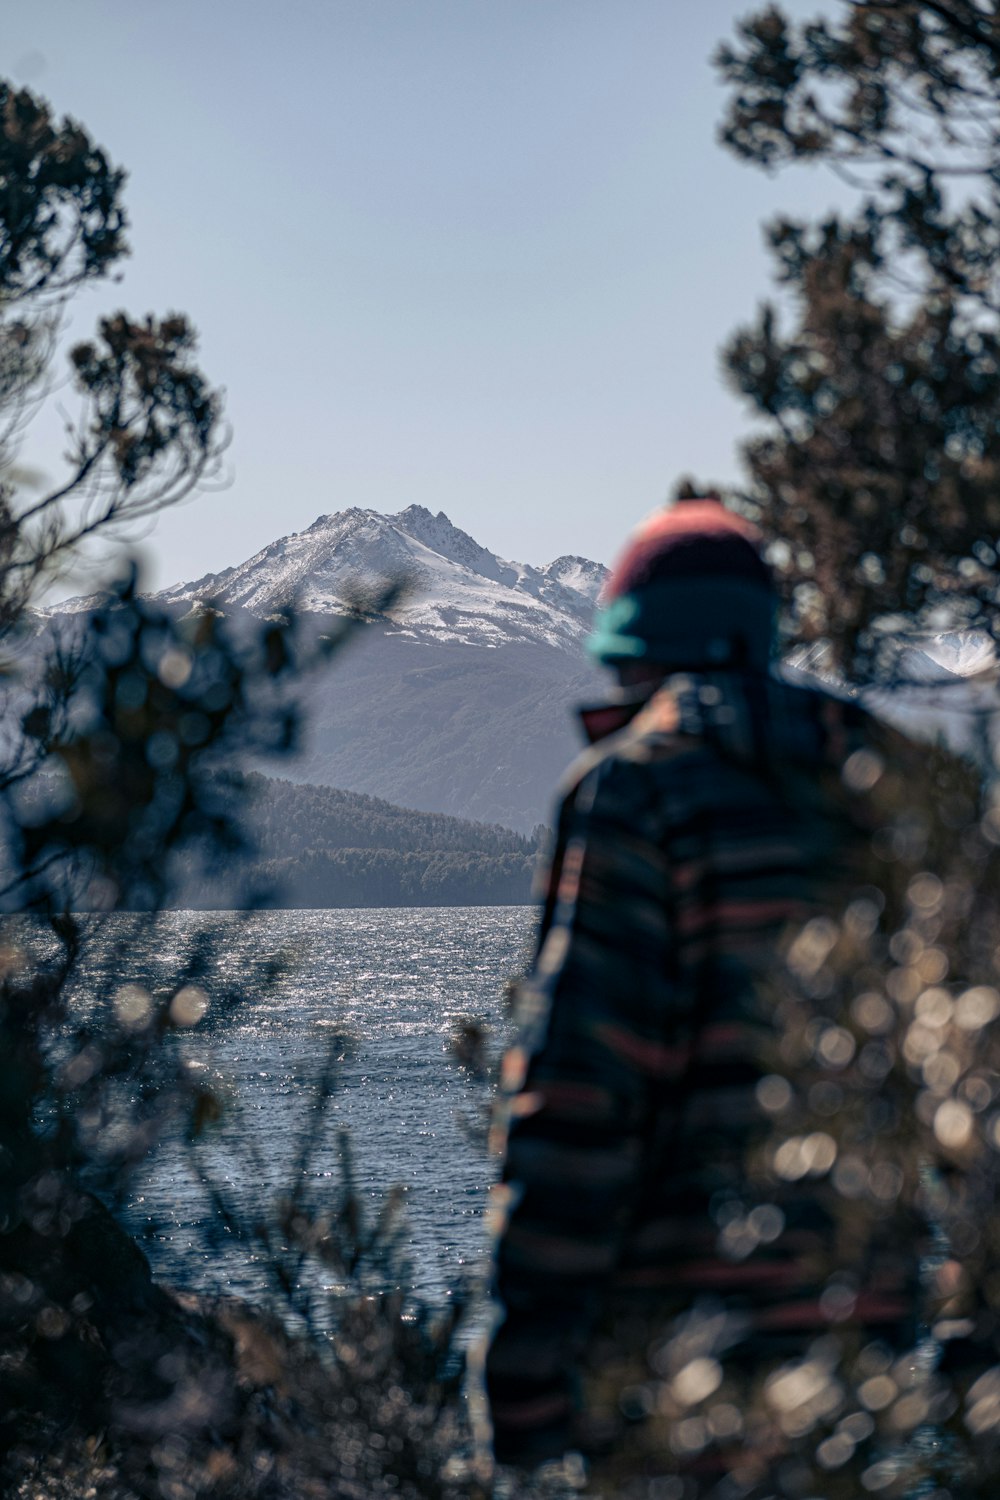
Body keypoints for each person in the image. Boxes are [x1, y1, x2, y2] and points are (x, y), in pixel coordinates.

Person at [484, 489, 923, 1480]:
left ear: (629, 646)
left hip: (679, 1374)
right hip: (867, 1364)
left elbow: (579, 1100)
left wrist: (522, 1394)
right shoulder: (887, 785)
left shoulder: (636, 788)